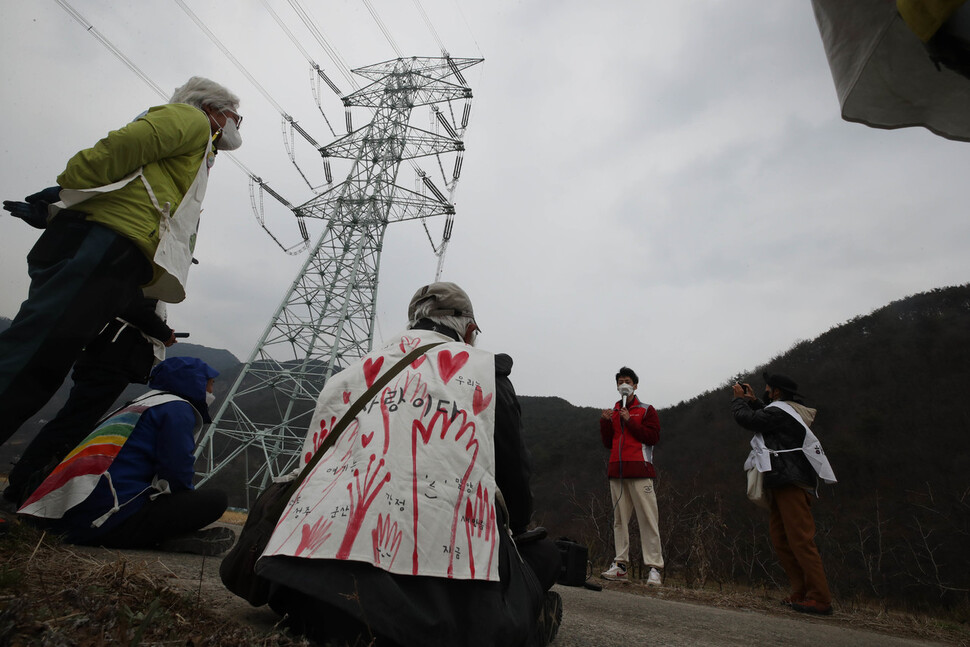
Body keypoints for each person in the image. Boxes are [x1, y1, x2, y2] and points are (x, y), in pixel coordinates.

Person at [252, 282, 563, 647]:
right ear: (469, 329)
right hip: (423, 615)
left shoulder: (351, 373)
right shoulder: (483, 373)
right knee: (544, 557)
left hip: (302, 590)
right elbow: (517, 494)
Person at [0, 76, 242, 455]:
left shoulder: (201, 150)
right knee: (35, 353)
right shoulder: (191, 121)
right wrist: (69, 187)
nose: (236, 126)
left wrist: (65, 201)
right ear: (211, 109)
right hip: (105, 243)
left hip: (116, 250)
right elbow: (122, 146)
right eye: (234, 117)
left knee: (46, 358)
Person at [17, 357, 234, 556]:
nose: (212, 390)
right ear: (193, 381)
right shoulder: (177, 409)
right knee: (215, 500)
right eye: (210, 383)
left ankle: (161, 534)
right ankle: (162, 537)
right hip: (99, 519)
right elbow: (177, 470)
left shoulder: (141, 403)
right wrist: (183, 511)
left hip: (61, 511)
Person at [731, 372, 837, 615]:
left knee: (800, 539)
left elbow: (750, 420)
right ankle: (801, 592)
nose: (766, 391)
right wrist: (754, 401)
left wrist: (738, 400)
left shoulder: (781, 412)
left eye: (768, 388)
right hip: (782, 480)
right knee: (781, 539)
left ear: (776, 392)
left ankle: (820, 597)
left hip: (792, 480)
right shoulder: (786, 411)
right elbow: (765, 416)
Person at [598, 367, 664, 586]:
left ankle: (654, 568)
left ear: (635, 385)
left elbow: (652, 437)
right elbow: (608, 443)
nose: (623, 384)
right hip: (617, 471)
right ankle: (621, 564)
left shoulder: (646, 410)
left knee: (648, 518)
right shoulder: (615, 411)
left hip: (640, 470)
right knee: (619, 520)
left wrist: (631, 420)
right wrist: (605, 422)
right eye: (620, 381)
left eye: (627, 381)